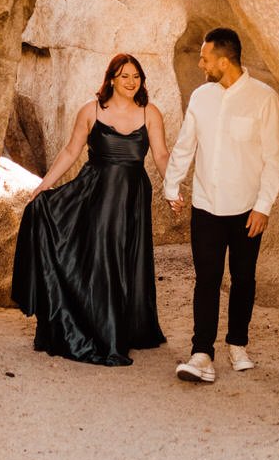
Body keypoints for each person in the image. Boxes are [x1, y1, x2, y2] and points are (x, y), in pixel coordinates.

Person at [11, 54, 170, 365]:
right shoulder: (91, 110)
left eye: (136, 76)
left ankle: (125, 328)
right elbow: (72, 150)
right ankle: (102, 331)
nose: (131, 81)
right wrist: (45, 185)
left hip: (133, 195)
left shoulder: (150, 112)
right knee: (103, 258)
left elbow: (162, 154)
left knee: (126, 259)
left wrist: (174, 187)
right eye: (124, 76)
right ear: (111, 78)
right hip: (96, 193)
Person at [164, 27, 279, 384]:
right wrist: (172, 185)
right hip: (206, 206)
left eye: (205, 58)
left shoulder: (264, 99)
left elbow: (273, 159)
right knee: (207, 280)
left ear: (224, 60)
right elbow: (185, 144)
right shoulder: (201, 97)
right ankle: (202, 352)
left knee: (244, 279)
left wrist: (263, 206)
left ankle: (238, 344)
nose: (201, 64)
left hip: (248, 209)